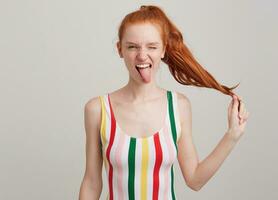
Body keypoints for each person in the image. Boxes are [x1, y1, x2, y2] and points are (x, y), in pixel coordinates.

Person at [79, 5, 249, 200]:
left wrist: (232, 135)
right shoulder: (97, 109)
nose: (142, 55)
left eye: (152, 46)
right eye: (132, 46)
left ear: (163, 50)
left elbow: (195, 179)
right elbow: (92, 183)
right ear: (120, 49)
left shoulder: (178, 106)